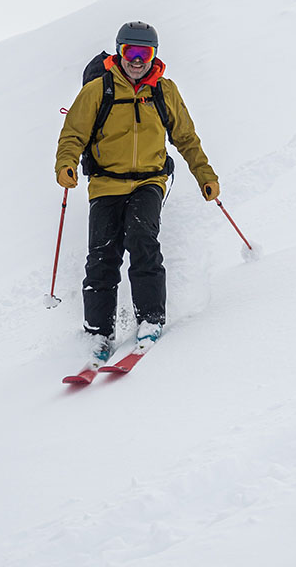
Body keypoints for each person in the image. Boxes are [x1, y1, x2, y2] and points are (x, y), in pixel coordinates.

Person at [55, 21, 219, 364]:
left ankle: (150, 320)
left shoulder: (164, 90)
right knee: (102, 256)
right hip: (105, 182)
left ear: (154, 56)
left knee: (143, 239)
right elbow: (73, 135)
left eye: (145, 53)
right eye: (131, 52)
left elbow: (186, 138)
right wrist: (66, 165)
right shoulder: (98, 91)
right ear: (120, 52)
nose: (137, 60)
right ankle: (98, 333)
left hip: (149, 181)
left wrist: (205, 175)